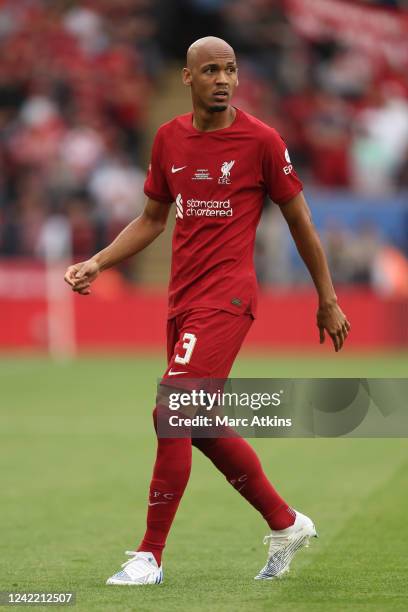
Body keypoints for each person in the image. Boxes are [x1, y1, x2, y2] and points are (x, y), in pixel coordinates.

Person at [64, 37, 351, 585]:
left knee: (172, 410)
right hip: (182, 301)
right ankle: (286, 522)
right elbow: (152, 218)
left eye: (231, 70)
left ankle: (150, 555)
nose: (223, 79)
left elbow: (301, 222)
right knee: (192, 421)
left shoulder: (263, 141)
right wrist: (99, 262)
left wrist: (327, 298)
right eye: (211, 70)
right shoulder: (168, 138)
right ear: (187, 78)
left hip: (229, 297)